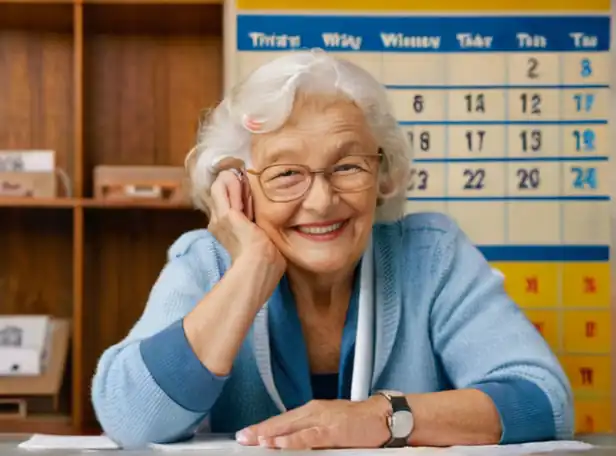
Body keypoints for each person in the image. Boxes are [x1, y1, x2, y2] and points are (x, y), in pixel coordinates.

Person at [91, 49, 573, 450]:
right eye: (285, 174)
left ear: (381, 173)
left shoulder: (432, 255)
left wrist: (384, 419)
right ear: (237, 186)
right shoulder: (205, 262)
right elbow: (131, 419)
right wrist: (252, 268)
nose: (321, 202)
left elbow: (543, 401)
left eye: (347, 167)